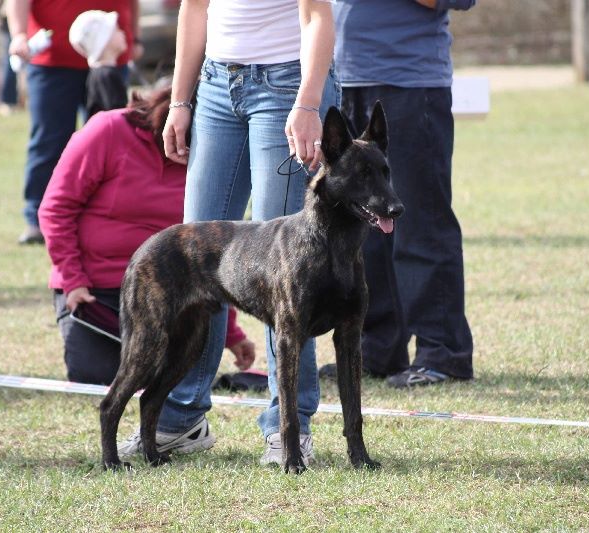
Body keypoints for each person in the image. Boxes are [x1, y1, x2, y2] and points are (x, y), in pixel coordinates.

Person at [116, 0, 339, 467]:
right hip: (217, 86)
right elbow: (195, 9)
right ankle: (180, 422)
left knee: (288, 273)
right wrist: (180, 100)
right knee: (193, 265)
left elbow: (318, 16)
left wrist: (308, 102)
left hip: (286, 86)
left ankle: (288, 428)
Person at [38, 87, 256, 421]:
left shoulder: (212, 161)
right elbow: (56, 209)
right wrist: (73, 280)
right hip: (97, 294)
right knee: (98, 377)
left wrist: (230, 334)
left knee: (163, 377)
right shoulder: (107, 130)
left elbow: (213, 255)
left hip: (171, 295)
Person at [320, 0, 476, 388]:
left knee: (421, 223)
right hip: (342, 77)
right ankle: (378, 349)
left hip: (409, 83)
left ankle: (442, 353)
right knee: (364, 227)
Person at [6, 0, 140, 245]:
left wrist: (136, 37)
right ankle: (39, 219)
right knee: (49, 142)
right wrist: (18, 34)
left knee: (112, 147)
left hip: (111, 57)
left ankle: (103, 215)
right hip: (53, 60)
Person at [68, 9, 129, 119]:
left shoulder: (100, 73)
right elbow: (118, 117)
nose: (122, 32)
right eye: (117, 29)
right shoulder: (107, 75)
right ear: (104, 39)